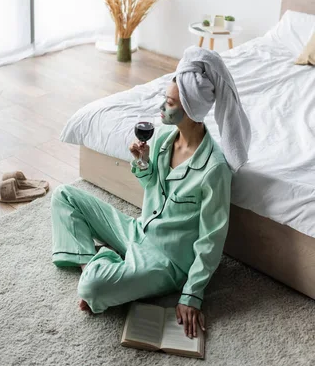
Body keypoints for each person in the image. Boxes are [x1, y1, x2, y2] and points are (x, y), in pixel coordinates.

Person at [50, 47, 251, 340]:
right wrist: (142, 163)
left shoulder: (214, 169)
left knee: (91, 288)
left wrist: (191, 295)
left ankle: (99, 265)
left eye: (169, 103)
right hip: (138, 229)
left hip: (165, 262)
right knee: (64, 196)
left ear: (191, 111)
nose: (161, 107)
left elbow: (211, 240)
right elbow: (153, 189)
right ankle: (96, 261)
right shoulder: (163, 140)